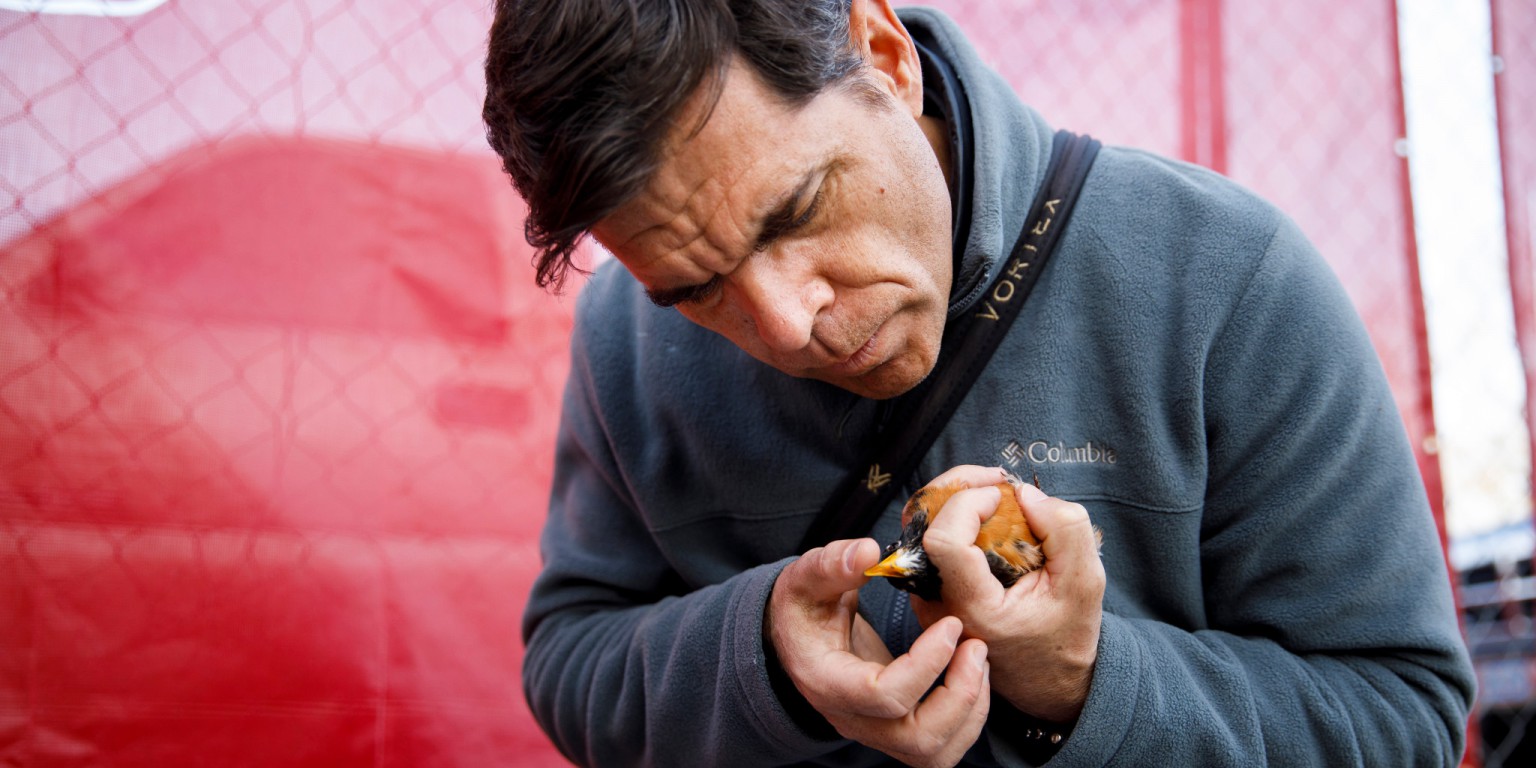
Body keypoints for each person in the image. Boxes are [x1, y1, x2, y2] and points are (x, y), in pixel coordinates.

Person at [481, 1, 1476, 765]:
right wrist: (764, 663)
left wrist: (1083, 682)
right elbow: (571, 660)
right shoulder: (622, 336)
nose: (788, 324)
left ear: (884, 55)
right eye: (698, 291)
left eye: (791, 213)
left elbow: (1403, 714)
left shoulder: (1224, 274)